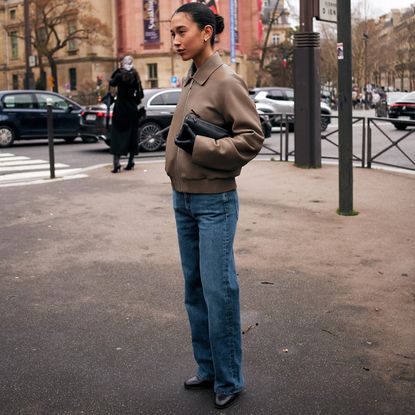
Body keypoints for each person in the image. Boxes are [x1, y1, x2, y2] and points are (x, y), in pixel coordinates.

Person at [166, 3, 264, 410]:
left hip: (214, 202)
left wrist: (202, 146)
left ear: (206, 32)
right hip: (183, 198)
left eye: (181, 32)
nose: (175, 41)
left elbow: (252, 138)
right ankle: (207, 367)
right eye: (172, 33)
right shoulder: (192, 78)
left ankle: (229, 379)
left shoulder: (225, 80)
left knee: (219, 290)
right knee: (194, 289)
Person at [109, 55, 144, 173]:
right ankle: (131, 162)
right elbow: (140, 94)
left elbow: (111, 82)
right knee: (132, 135)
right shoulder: (135, 75)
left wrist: (117, 70)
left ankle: (116, 163)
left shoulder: (119, 75)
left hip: (120, 108)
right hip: (132, 109)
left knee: (117, 134)